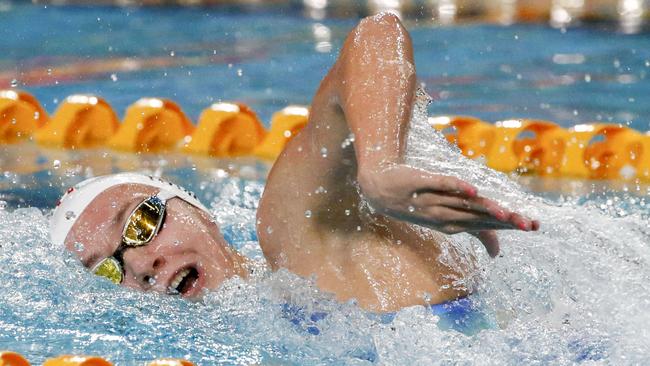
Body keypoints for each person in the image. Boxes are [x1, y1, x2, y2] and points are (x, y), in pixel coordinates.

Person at [51, 13, 538, 316]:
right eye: (108, 271)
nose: (139, 263)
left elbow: (376, 35)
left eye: (142, 222)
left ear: (199, 210)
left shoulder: (300, 243)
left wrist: (380, 171)